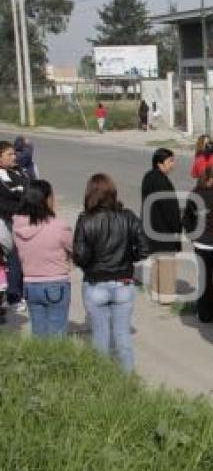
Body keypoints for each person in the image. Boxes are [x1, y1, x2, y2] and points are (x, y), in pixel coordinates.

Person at [73, 174, 149, 371]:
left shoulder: (85, 220)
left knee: (100, 336)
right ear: (112, 193)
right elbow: (144, 249)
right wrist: (126, 259)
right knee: (122, 335)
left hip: (96, 283)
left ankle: (103, 382)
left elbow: (79, 256)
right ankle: (127, 381)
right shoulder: (128, 216)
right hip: (123, 282)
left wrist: (92, 263)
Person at [13, 180, 72, 337]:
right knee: (57, 335)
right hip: (56, 284)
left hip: (30, 285)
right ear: (45, 200)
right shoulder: (58, 226)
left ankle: (39, 361)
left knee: (38, 334)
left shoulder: (17, 226)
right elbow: (73, 249)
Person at [141, 148, 182, 305]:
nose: (173, 164)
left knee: (157, 262)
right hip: (164, 230)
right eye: (170, 161)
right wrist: (176, 228)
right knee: (166, 264)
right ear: (160, 163)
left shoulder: (149, 177)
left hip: (152, 227)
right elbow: (169, 209)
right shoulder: (161, 181)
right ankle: (166, 297)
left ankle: (156, 293)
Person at [182, 167, 213, 323]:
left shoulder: (194, 194)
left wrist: (193, 237)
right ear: (211, 179)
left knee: (204, 281)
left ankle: (205, 315)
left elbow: (186, 220)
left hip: (200, 244)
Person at [0, 141, 28, 308]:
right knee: (14, 257)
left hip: (25, 219)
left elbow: (29, 191)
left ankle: (23, 292)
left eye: (14, 153)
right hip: (8, 221)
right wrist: (21, 198)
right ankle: (14, 296)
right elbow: (5, 202)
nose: (14, 157)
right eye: (9, 154)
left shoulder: (20, 172)